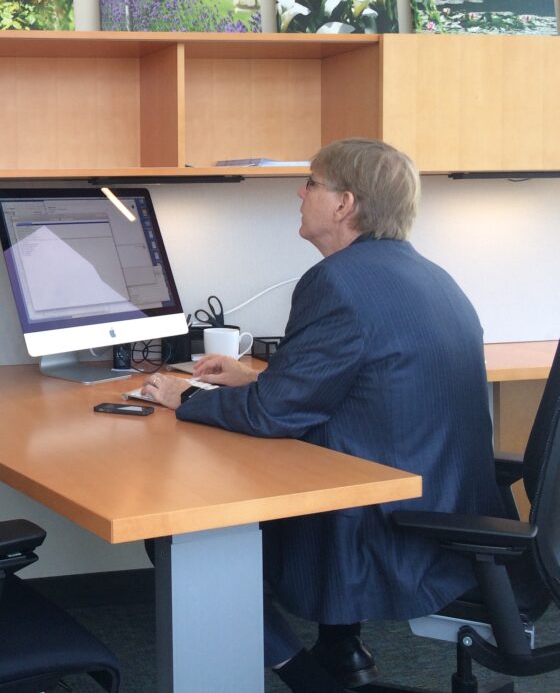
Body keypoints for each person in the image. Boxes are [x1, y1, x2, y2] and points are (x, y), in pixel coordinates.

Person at [141, 138, 502, 693]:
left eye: (311, 183)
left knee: (177, 530)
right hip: (440, 505)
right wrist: (256, 377)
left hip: (377, 525)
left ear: (344, 204)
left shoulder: (336, 282)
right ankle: (342, 648)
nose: (300, 192)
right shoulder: (430, 275)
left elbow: (270, 416)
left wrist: (183, 397)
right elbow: (362, 386)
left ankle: (310, 680)